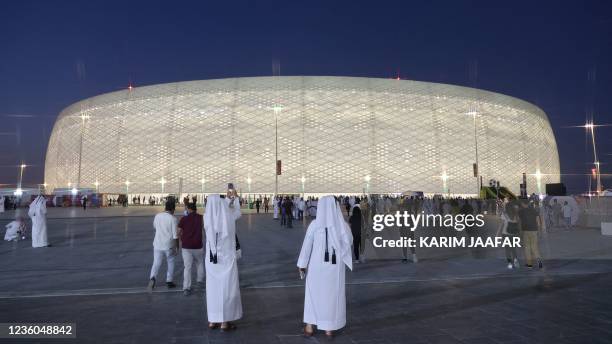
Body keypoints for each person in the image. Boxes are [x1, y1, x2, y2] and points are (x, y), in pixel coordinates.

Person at [297, 196, 353, 337]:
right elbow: (349, 242)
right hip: (335, 268)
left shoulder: (315, 225)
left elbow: (306, 246)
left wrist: (302, 265)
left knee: (313, 295)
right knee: (332, 296)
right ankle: (329, 328)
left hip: (316, 267)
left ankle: (310, 327)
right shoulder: (342, 225)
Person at [205, 194, 243, 331]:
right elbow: (237, 213)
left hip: (212, 262)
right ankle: (225, 322)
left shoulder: (207, 219)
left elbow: (215, 210)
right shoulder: (229, 218)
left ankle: (212, 320)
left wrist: (227, 200)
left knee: (213, 290)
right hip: (227, 260)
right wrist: (235, 199)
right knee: (227, 290)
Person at [148, 199, 179, 290]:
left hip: (157, 244)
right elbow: (175, 235)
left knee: (156, 262)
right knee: (171, 261)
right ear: (173, 209)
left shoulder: (157, 216)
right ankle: (169, 281)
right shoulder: (173, 219)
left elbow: (155, 226)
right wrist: (177, 247)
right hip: (168, 245)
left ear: (165, 207)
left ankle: (152, 278)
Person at [178, 202, 204, 296]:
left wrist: (180, 239)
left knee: (187, 267)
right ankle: (200, 281)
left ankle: (186, 288)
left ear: (188, 209)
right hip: (198, 245)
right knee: (200, 263)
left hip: (186, 246)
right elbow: (205, 230)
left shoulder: (184, 219)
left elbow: (179, 231)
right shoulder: (201, 218)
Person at [518, 201, 543, 269]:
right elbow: (538, 221)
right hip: (534, 231)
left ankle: (529, 264)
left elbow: (519, 222)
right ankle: (539, 261)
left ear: (523, 204)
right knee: (534, 247)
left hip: (525, 231)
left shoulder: (521, 211)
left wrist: (519, 232)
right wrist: (539, 230)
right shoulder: (534, 210)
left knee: (527, 248)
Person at [496, 203, 520, 269]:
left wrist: (497, 234)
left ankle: (509, 263)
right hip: (514, 234)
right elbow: (518, 224)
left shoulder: (504, 215)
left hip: (505, 234)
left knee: (507, 250)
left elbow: (501, 225)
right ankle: (515, 261)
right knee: (513, 249)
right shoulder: (515, 214)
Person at [349, 198, 363, 263]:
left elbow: (350, 223)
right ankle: (362, 258)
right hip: (361, 233)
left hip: (355, 234)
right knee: (362, 246)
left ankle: (357, 259)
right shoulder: (361, 217)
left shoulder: (352, 217)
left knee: (356, 247)